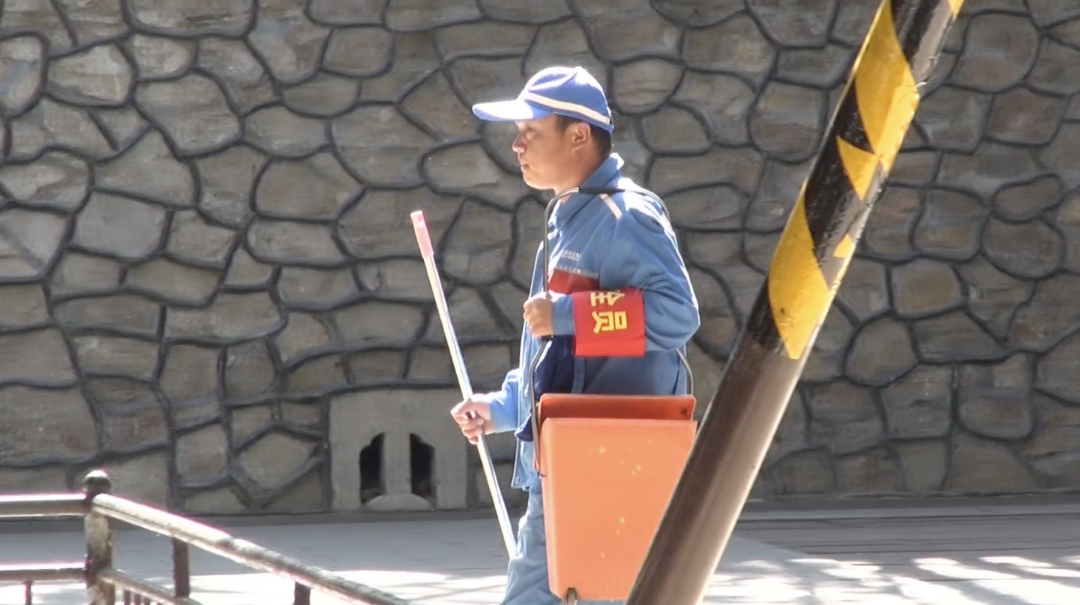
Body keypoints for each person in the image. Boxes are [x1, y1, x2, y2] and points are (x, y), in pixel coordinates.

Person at [450, 65, 700, 605]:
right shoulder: (566, 218)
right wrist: (503, 407)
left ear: (579, 135)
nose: (516, 145)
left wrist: (568, 314)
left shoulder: (626, 216)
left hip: (606, 462)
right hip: (571, 461)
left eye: (531, 131)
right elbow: (554, 357)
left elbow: (677, 314)